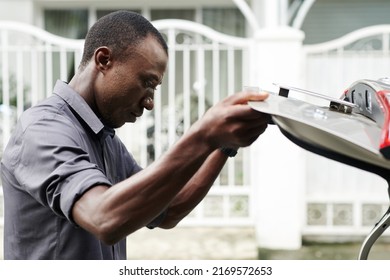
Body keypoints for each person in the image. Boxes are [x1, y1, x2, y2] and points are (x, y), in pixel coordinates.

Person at [0, 10, 270, 260]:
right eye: (147, 83)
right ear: (104, 60)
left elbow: (169, 210)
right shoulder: (43, 129)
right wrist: (203, 134)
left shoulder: (104, 138)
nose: (150, 102)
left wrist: (223, 145)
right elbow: (103, 217)